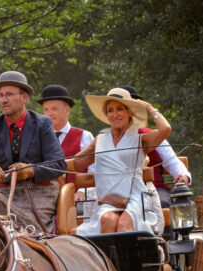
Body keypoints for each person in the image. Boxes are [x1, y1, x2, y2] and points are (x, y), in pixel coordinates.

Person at [0, 70, 65, 233]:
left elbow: (58, 164)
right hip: (3, 194)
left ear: (24, 98)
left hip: (39, 192)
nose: (3, 100)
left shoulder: (42, 123)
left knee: (21, 228)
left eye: (9, 94)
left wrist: (30, 171)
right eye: (1, 95)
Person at [73, 87, 172, 233]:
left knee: (123, 226)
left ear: (129, 112)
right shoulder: (99, 140)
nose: (115, 114)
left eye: (120, 109)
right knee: (108, 220)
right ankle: (107, 256)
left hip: (135, 197)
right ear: (106, 115)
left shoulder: (140, 139)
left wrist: (149, 107)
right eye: (110, 110)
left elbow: (165, 129)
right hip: (109, 198)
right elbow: (75, 163)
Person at [121, 85, 191, 208]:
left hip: (155, 190)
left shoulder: (153, 135)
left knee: (162, 204)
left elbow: (173, 162)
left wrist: (183, 175)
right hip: (120, 193)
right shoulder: (105, 140)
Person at [36, 84, 94, 216]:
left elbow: (95, 170)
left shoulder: (84, 136)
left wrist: (84, 192)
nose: (49, 113)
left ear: (67, 110)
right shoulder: (38, 140)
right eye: (46, 110)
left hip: (77, 203)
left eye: (54, 109)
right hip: (45, 203)